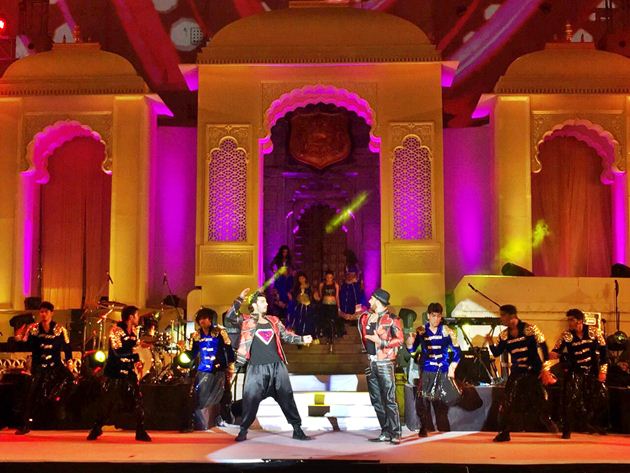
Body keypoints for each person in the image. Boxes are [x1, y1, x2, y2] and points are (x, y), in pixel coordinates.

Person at [225, 288, 313, 442]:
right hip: (256, 368)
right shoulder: (245, 321)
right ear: (254, 305)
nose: (266, 304)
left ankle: (297, 429)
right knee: (250, 399)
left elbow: (286, 336)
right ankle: (243, 430)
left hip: (277, 367)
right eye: (262, 301)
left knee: (287, 398)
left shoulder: (274, 320)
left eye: (265, 301)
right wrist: (239, 299)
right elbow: (229, 318)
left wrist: (301, 339)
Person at [486, 304, 558, 442]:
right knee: (508, 400)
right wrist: (490, 343)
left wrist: (545, 369)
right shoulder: (504, 335)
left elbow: (544, 347)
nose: (501, 318)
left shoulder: (530, 329)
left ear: (511, 316)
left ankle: (547, 419)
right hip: (517, 371)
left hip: (533, 370)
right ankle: (505, 432)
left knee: (540, 398)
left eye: (503, 315)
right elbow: (496, 353)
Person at [87, 305, 151, 441]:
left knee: (138, 399)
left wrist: (140, 348)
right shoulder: (116, 330)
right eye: (137, 315)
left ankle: (140, 430)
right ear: (131, 317)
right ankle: (97, 427)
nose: (138, 318)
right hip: (115, 371)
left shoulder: (133, 332)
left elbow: (133, 347)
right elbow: (117, 352)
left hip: (128, 370)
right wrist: (135, 356)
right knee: (109, 402)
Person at [15, 301, 74, 435]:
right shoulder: (33, 329)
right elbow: (25, 345)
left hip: (55, 365)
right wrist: (18, 338)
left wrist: (69, 363)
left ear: (51, 313)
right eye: (41, 312)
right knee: (31, 394)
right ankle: (25, 424)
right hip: (39, 366)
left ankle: (60, 402)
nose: (43, 314)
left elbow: (67, 348)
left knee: (72, 380)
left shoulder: (60, 329)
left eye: (46, 312)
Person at [549, 308, 608, 439]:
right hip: (575, 371)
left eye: (572, 320)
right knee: (570, 398)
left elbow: (604, 354)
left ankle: (595, 425)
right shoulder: (566, 335)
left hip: (592, 371)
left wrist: (603, 372)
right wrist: (553, 354)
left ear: (580, 321)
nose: (569, 322)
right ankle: (566, 429)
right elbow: (556, 350)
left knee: (600, 397)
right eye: (568, 320)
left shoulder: (594, 332)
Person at [407, 302, 460, 437]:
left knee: (441, 402)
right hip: (427, 369)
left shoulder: (447, 331)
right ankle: (423, 426)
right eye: (433, 315)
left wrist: (452, 367)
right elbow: (412, 351)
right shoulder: (421, 331)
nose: (436, 319)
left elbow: (457, 352)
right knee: (423, 399)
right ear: (428, 316)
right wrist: (409, 343)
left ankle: (444, 430)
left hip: (442, 370)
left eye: (438, 316)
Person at [358, 289, 404, 444]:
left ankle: (395, 432)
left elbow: (400, 340)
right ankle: (385, 431)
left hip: (385, 363)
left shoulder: (392, 319)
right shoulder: (367, 317)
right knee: (376, 400)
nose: (369, 301)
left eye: (372, 298)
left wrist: (381, 342)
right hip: (371, 362)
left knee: (389, 399)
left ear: (378, 300)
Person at [189, 308, 235, 431]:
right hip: (203, 370)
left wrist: (230, 365)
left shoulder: (220, 332)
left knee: (219, 396)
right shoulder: (196, 335)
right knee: (202, 396)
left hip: (218, 370)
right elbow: (192, 353)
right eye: (200, 319)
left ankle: (218, 419)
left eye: (205, 318)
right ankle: (203, 421)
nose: (202, 321)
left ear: (211, 319)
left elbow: (228, 349)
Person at [288, 272, 318, 338]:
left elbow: (313, 296)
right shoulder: (296, 288)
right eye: (300, 278)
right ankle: (299, 335)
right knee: (299, 321)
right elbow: (293, 295)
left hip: (308, 306)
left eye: (303, 278)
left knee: (308, 321)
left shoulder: (309, 287)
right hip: (299, 306)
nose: (301, 280)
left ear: (305, 279)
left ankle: (309, 335)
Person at [269, 245, 294, 321]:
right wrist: (275, 271)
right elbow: (271, 266)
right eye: (283, 252)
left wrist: (291, 272)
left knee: (287, 293)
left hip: (287, 277)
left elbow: (294, 267)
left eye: (286, 252)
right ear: (281, 252)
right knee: (279, 292)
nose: (285, 253)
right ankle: (279, 316)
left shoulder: (289, 259)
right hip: (280, 277)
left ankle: (287, 317)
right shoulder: (278, 258)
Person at [339, 250, 366, 318]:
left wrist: (356, 279)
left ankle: (356, 316)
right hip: (347, 284)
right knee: (346, 299)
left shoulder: (355, 265)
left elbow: (359, 273)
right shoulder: (347, 265)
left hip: (354, 284)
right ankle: (347, 315)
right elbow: (346, 274)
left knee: (355, 299)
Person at [319, 270, 342, 342]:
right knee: (325, 321)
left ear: (333, 277)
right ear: (325, 277)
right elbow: (321, 295)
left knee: (332, 321)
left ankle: (332, 336)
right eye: (328, 277)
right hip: (325, 305)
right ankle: (327, 336)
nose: (329, 279)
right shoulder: (322, 285)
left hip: (333, 305)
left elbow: (337, 297)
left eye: (331, 277)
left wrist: (338, 308)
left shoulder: (336, 285)